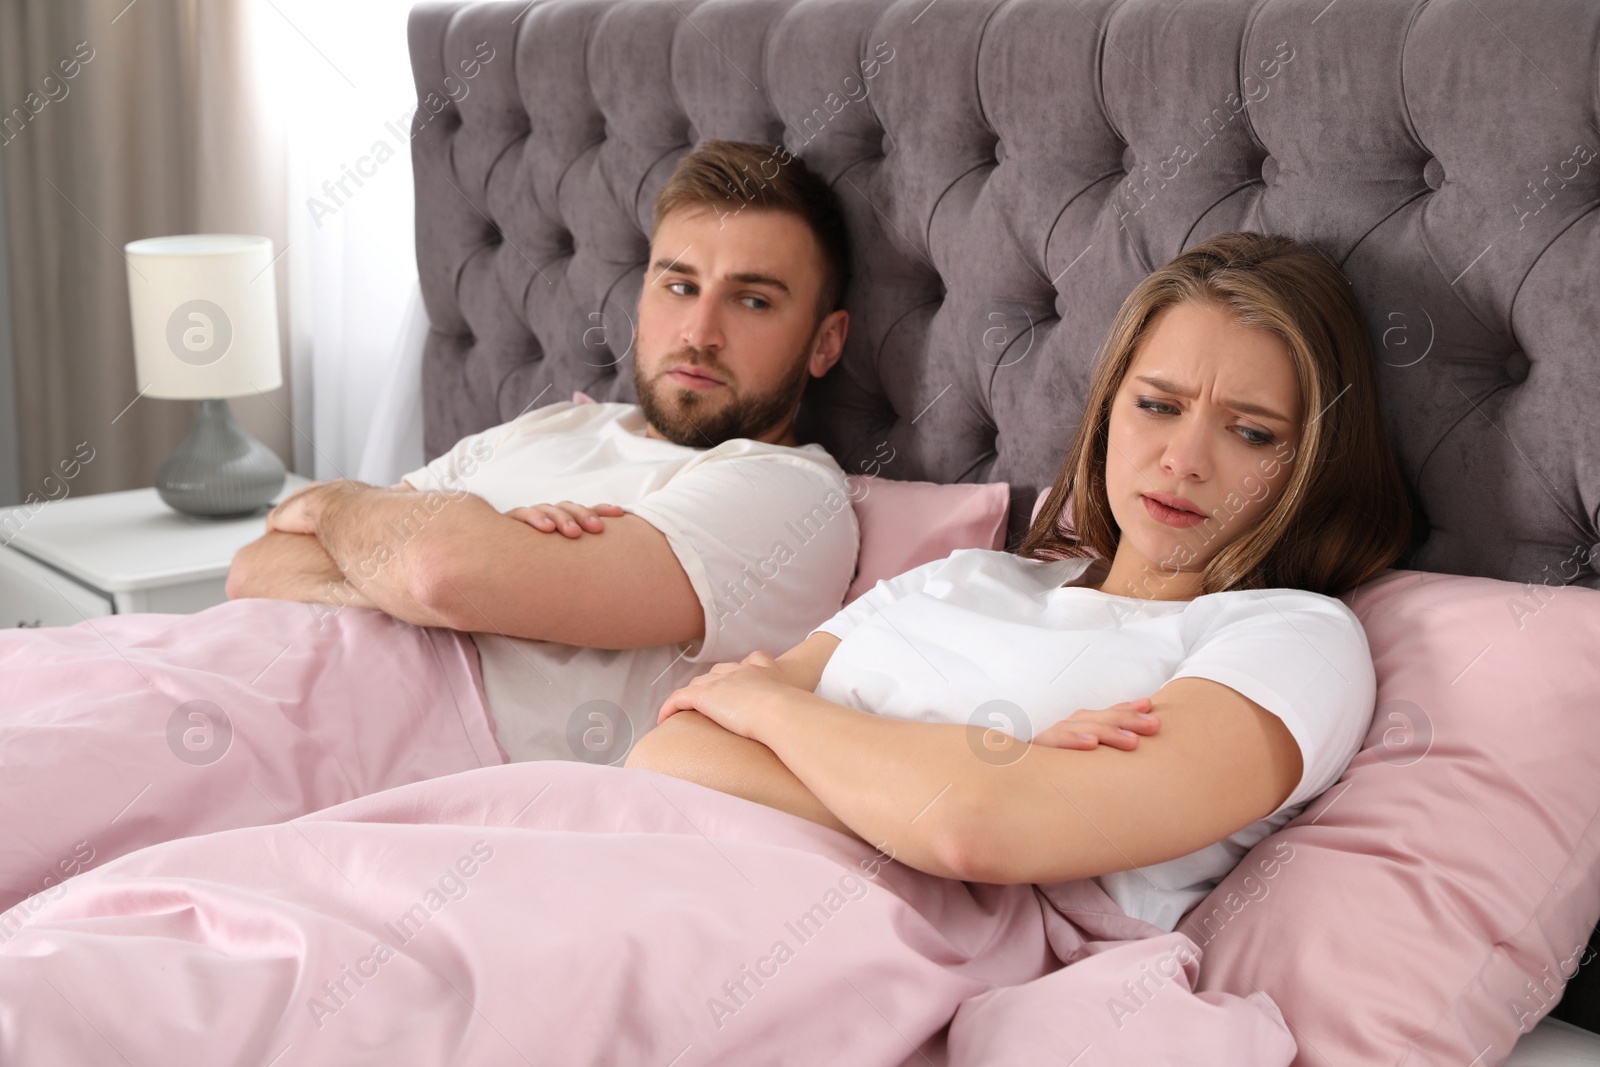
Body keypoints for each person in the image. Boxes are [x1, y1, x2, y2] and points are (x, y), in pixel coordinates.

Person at [0, 140, 861, 910]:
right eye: (678, 285)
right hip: (225, 652)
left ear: (824, 343)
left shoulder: (787, 493)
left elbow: (438, 572)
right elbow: (259, 564)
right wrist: (440, 544)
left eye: (752, 302)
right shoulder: (556, 426)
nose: (699, 331)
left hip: (360, 731)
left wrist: (352, 513)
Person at [631, 230, 1415, 932]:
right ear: (1109, 411)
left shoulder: (1294, 640)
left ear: (1312, 459)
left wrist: (769, 707)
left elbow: (972, 827)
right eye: (1156, 404)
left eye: (1251, 431)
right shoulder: (965, 574)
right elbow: (674, 749)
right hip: (676, 854)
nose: (1184, 459)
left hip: (851, 935)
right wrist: (987, 763)